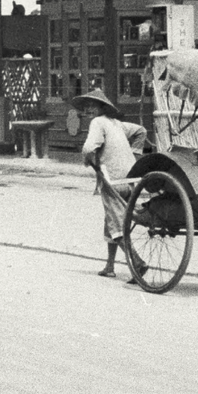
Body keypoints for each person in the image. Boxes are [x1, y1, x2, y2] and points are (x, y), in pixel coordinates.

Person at [70, 90, 148, 281]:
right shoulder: (117, 124)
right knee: (111, 221)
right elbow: (141, 131)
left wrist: (88, 161)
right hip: (131, 179)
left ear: (102, 107)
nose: (89, 109)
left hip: (112, 179)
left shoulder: (97, 123)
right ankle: (110, 266)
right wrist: (134, 156)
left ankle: (137, 262)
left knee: (117, 226)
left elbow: (89, 148)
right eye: (87, 106)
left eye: (93, 106)